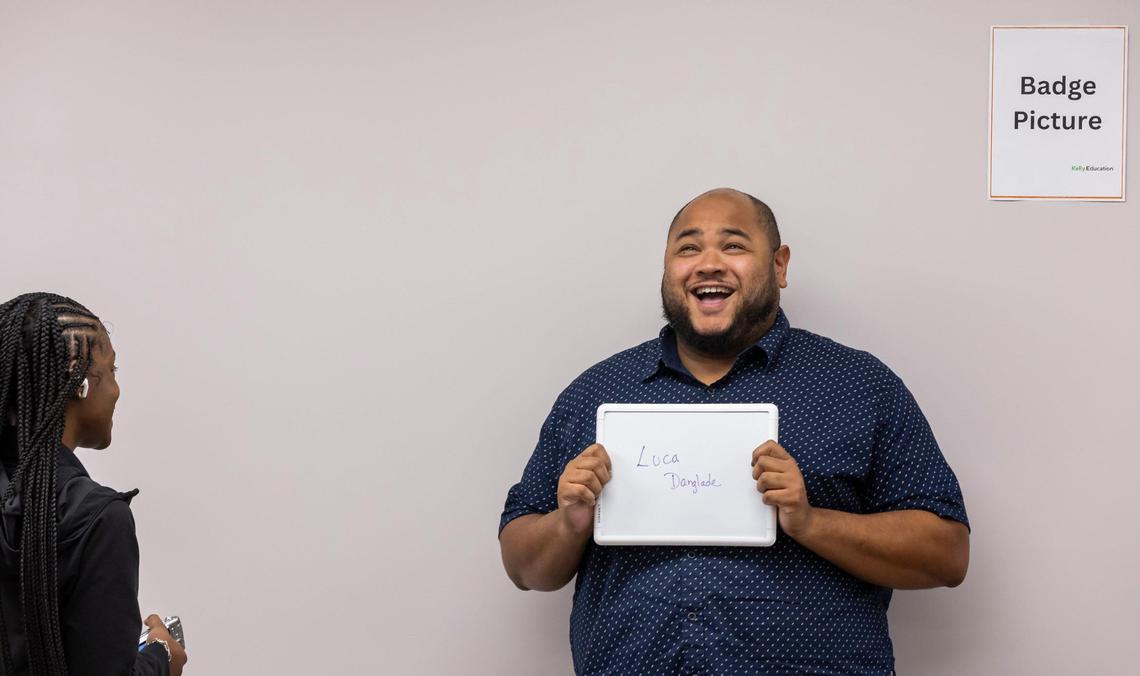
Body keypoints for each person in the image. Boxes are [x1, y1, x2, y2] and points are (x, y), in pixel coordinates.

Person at [498, 189, 970, 675]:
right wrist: (568, 523)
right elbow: (523, 566)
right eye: (687, 248)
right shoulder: (595, 394)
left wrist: (809, 522)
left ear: (780, 266)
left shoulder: (857, 385)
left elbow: (946, 555)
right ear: (666, 270)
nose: (708, 264)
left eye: (734, 246)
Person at [0, 293, 188, 676]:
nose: (116, 390)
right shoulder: (96, 519)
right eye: (112, 371)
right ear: (78, 381)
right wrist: (161, 657)